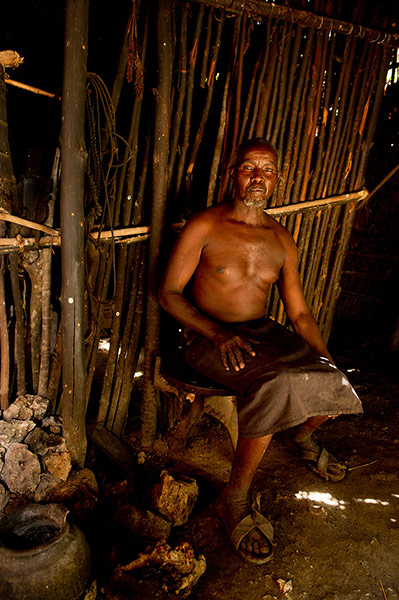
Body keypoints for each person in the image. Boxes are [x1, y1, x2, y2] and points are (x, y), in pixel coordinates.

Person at [158, 138, 363, 564]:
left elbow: (301, 313)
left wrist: (328, 361)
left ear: (276, 180)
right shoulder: (206, 225)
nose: (258, 176)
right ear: (233, 174)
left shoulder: (281, 238)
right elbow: (169, 293)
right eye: (250, 167)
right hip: (206, 337)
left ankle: (302, 436)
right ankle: (233, 499)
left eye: (267, 169)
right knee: (276, 382)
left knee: (335, 385)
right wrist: (215, 333)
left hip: (263, 333)